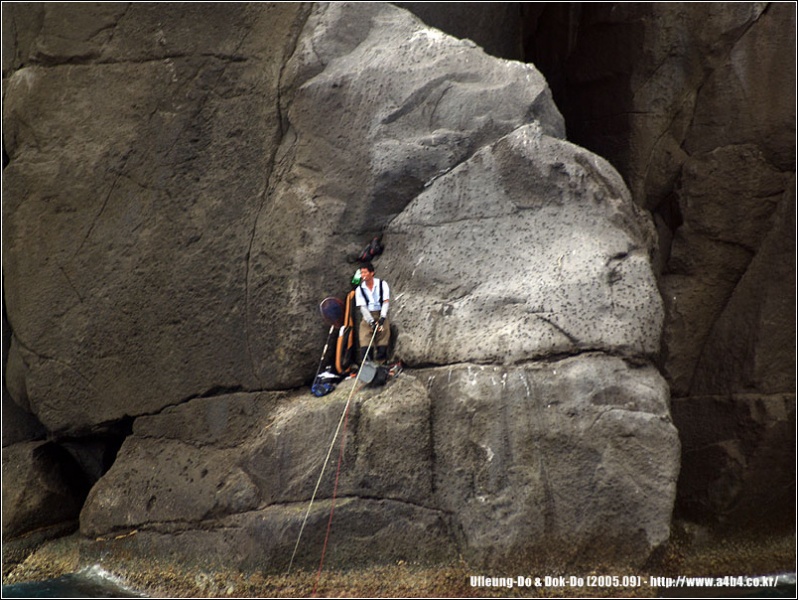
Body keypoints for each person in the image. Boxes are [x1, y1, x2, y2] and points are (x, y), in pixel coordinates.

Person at [355, 262, 391, 363]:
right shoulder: (360, 289)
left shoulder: (382, 284)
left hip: (380, 313)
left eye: (365, 272)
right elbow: (362, 307)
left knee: (383, 339)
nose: (363, 275)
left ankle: (381, 364)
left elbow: (385, 302)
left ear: (372, 273)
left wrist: (382, 317)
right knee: (365, 341)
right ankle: (367, 367)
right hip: (367, 316)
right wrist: (371, 322)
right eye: (361, 273)